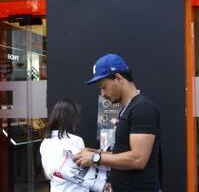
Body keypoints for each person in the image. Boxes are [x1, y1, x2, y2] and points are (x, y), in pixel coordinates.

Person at [73, 53, 161, 192]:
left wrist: (95, 158)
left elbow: (138, 159)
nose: (102, 94)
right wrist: (93, 152)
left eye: (104, 86)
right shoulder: (127, 109)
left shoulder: (142, 108)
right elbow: (122, 153)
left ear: (118, 78)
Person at [40, 98, 89, 192]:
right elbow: (84, 172)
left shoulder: (45, 142)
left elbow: (47, 175)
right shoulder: (76, 141)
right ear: (71, 119)